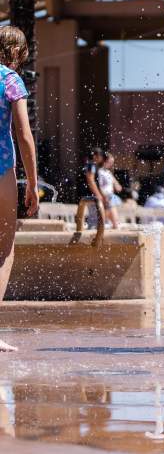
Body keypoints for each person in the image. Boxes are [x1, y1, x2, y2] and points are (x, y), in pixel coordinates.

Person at [0, 27, 38, 351]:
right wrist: (34, 185)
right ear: (18, 52)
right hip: (1, 171)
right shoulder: (11, 80)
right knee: (4, 248)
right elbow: (24, 135)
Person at [74, 148, 108, 247]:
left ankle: (88, 236)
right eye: (101, 156)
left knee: (91, 218)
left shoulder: (87, 164)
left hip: (85, 195)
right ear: (96, 156)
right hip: (90, 196)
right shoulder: (91, 165)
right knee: (94, 218)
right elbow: (90, 180)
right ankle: (91, 240)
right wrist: (98, 195)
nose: (102, 159)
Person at [97, 152, 122, 229]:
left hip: (110, 196)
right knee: (113, 220)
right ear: (105, 161)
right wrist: (103, 197)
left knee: (113, 220)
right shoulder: (100, 172)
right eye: (110, 162)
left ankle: (101, 227)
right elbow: (99, 186)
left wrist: (117, 185)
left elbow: (116, 185)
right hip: (105, 196)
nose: (111, 164)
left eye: (112, 163)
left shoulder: (108, 172)